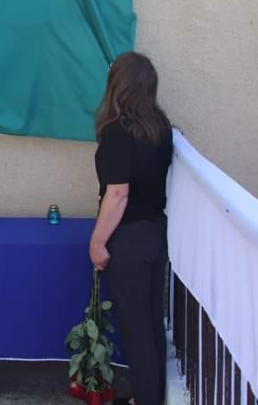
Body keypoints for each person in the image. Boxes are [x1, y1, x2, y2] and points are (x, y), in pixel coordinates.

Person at [89, 52, 173, 405]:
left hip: (129, 240)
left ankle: (147, 399)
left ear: (118, 86)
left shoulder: (118, 132)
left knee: (137, 329)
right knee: (151, 325)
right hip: (155, 232)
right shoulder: (160, 127)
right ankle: (149, 396)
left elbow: (118, 193)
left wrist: (97, 242)